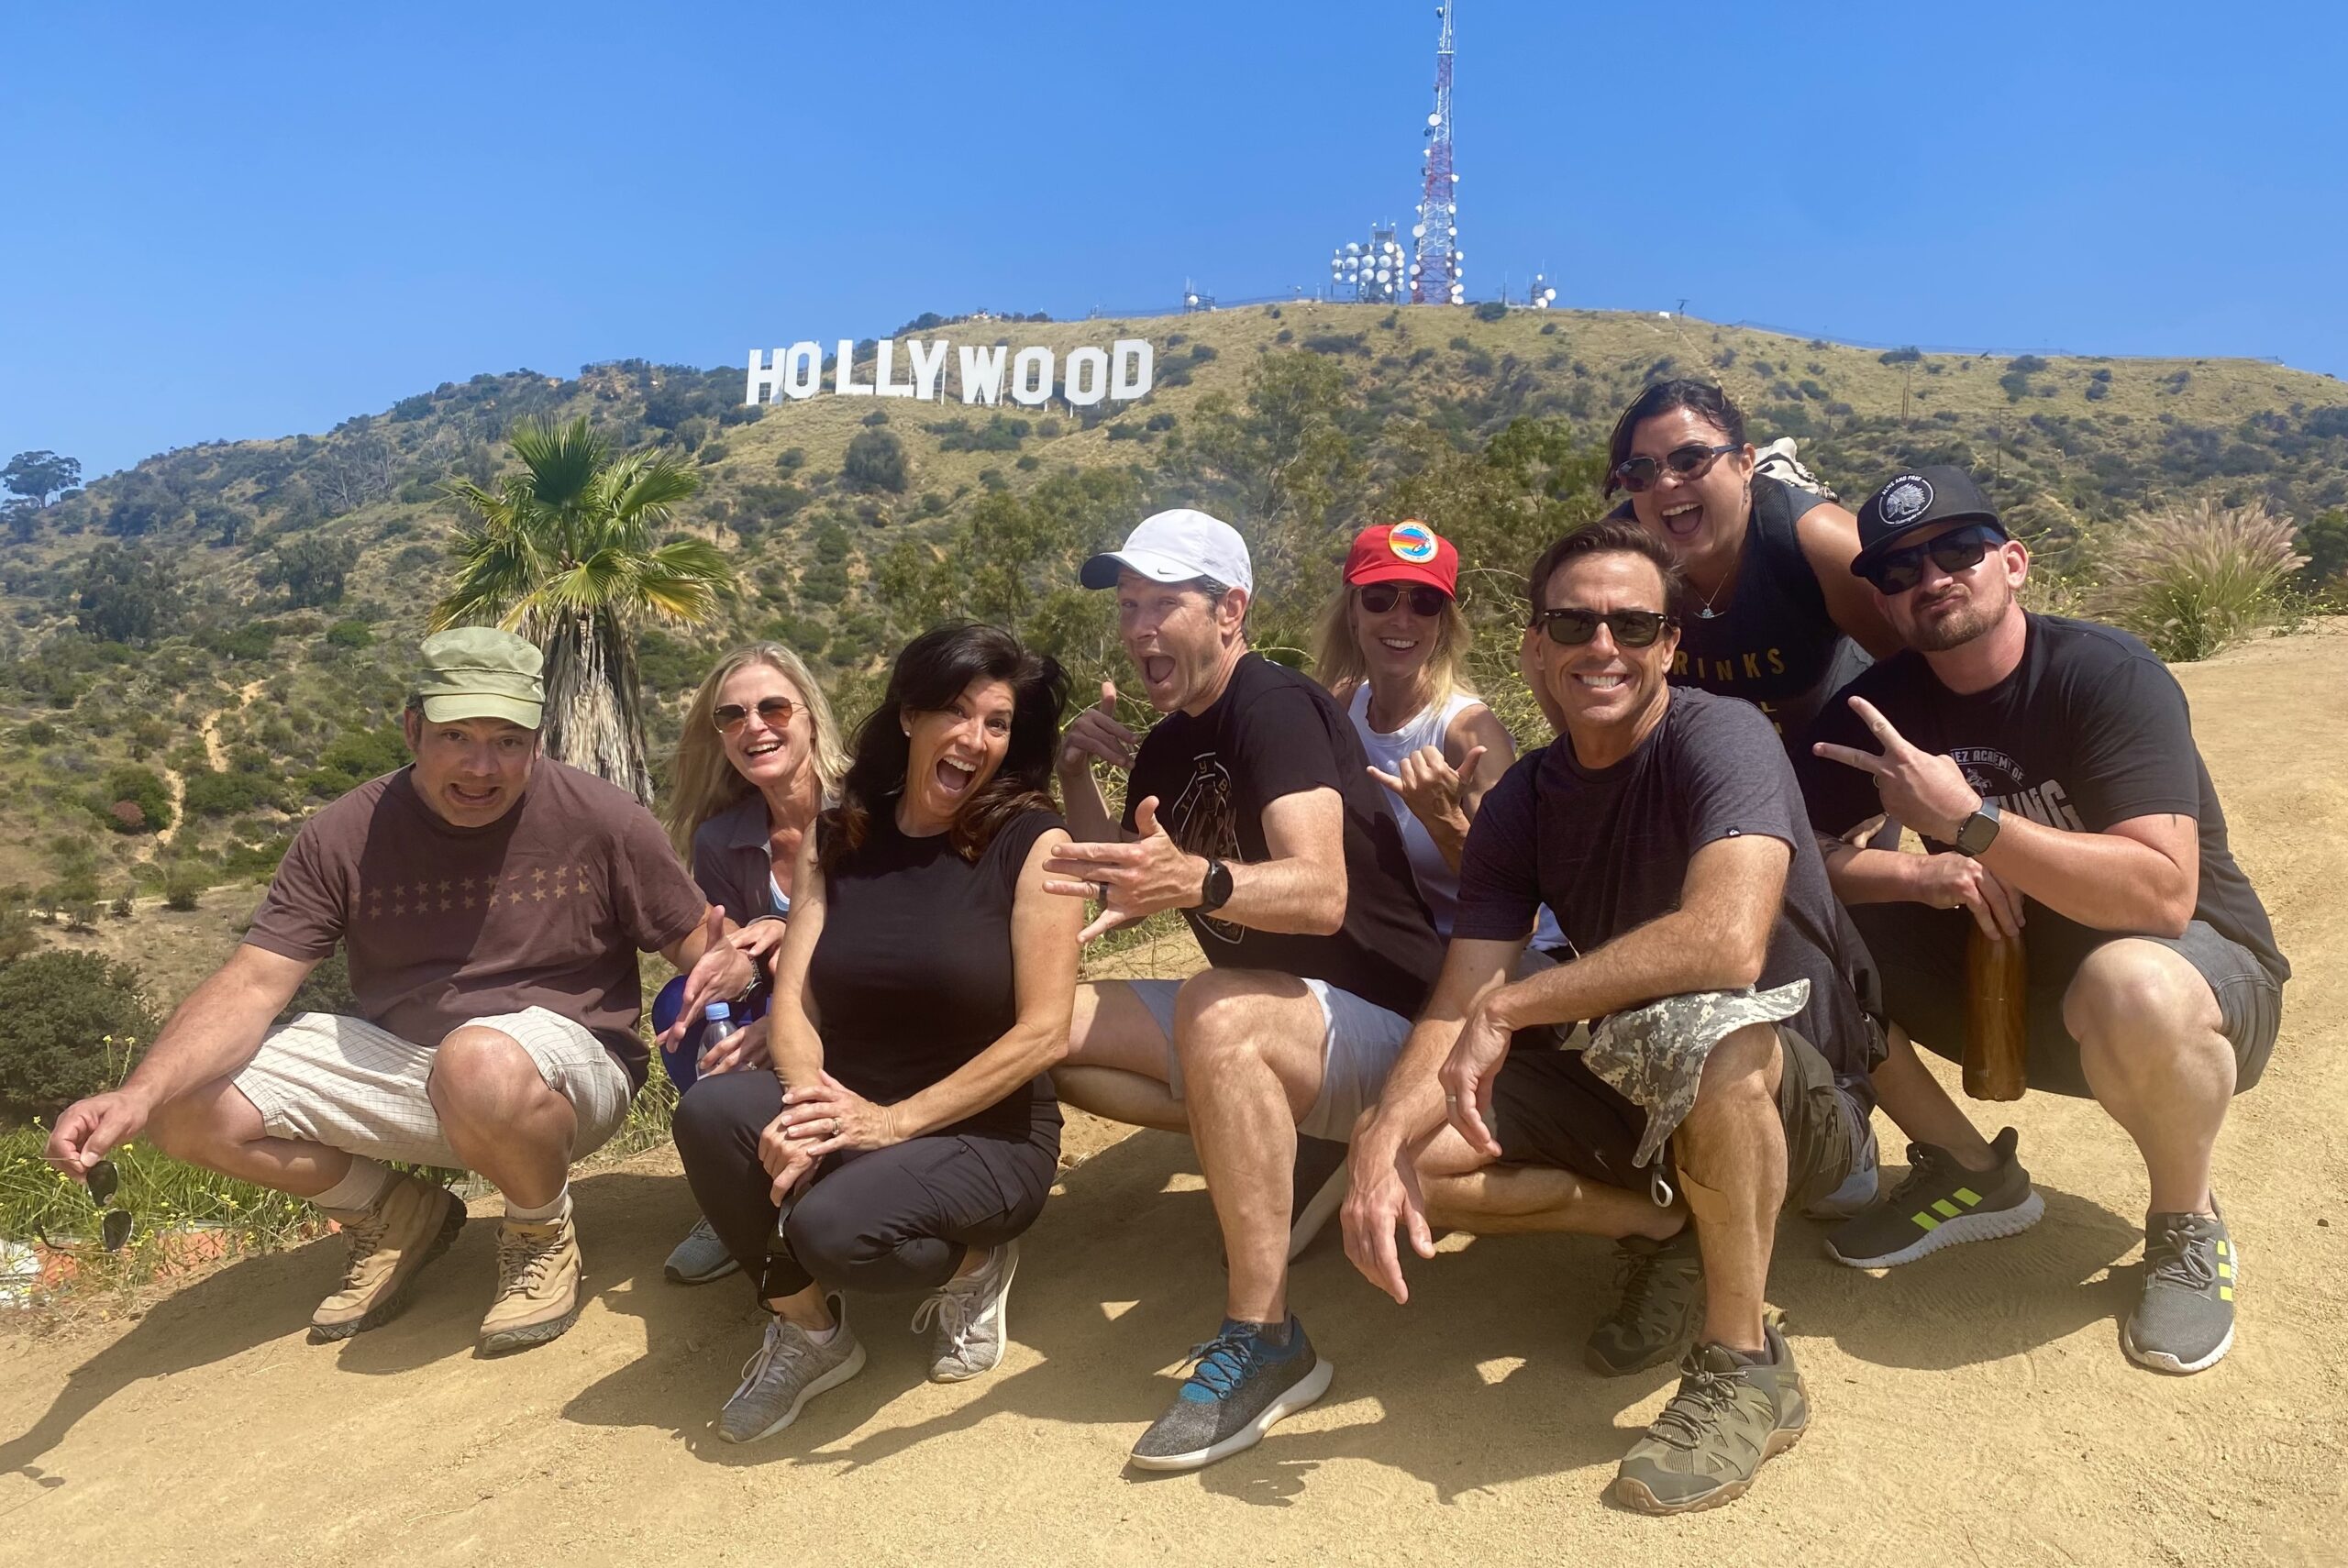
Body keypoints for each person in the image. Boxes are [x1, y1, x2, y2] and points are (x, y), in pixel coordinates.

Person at [1341, 520, 1877, 1515]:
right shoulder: (1523, 802)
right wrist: (1377, 1138)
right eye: (1573, 623)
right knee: (1419, 1163)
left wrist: (1515, 1007)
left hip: (1799, 1091)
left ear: (1670, 644)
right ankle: (1675, 1227)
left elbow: (1725, 943)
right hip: (1636, 1074)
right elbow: (1461, 994)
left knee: (1713, 1037)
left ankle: (1743, 1362)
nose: (1603, 647)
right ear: (1534, 646)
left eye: (1634, 625)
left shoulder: (1719, 737)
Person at [42, 628, 752, 1354]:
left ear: (537, 739)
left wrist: (740, 957)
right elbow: (253, 983)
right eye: (457, 736)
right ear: (413, 729)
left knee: (477, 1058)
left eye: (509, 740)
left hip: (563, 1074)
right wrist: (136, 1094)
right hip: (409, 1066)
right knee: (184, 1104)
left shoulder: (601, 819)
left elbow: (696, 938)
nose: (483, 767)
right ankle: (391, 1214)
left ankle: (540, 1232)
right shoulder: (342, 835)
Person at [1798, 467, 2288, 1375]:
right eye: (1899, 571)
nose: (1931, 577)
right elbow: (1788, 858)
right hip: (2005, 984)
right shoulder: (1881, 708)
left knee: (2129, 981)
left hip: (2182, 984)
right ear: (1881, 600)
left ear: (2012, 563)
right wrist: (1918, 870)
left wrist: (1970, 825)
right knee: (1795, 939)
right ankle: (1970, 1174)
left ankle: (2186, 1224)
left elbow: (2160, 896)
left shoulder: (2105, 676)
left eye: (1956, 551)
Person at [1043, 507, 1446, 1473]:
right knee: (1044, 1026)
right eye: (1129, 605)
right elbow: (1120, 876)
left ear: (1230, 611)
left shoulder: (1277, 707)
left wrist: (1203, 882)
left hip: (1392, 1023)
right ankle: (1278, 1144)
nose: (1140, 627)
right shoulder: (1166, 746)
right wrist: (1070, 773)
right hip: (1290, 1027)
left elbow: (1319, 893)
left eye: (1164, 603)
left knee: (1213, 1010)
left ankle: (1265, 1337)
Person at [670, 624, 1081, 1444]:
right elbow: (795, 1003)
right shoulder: (842, 832)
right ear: (908, 716)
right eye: (956, 712)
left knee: (832, 1229)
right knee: (711, 1114)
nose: (974, 739)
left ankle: (973, 1266)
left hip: (985, 1131)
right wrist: (804, 1107)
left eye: (996, 723)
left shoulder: (1036, 845)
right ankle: (807, 1330)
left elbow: (1045, 1034)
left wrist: (890, 1124)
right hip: (853, 1099)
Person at [654, 642, 849, 1286]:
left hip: (863, 997)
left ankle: (815, 1169)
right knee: (679, 1002)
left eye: (772, 707)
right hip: (792, 997)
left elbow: (889, 938)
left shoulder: (867, 808)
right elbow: (743, 951)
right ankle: (734, 1179)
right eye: (732, 716)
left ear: (810, 715)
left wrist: (789, 1015)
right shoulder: (721, 837)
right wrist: (737, 959)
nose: (754, 726)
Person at [1605, 379, 1900, 744]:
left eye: (1690, 459)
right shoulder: (1613, 562)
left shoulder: (1820, 543)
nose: (1666, 483)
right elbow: (1546, 657)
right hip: (1704, 773)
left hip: (1836, 759)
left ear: (1746, 463)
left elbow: (1934, 668)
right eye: (1641, 472)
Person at [1309, 520, 1517, 940]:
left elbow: (1519, 908)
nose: (1402, 620)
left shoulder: (1470, 735)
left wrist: (1443, 820)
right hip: (1394, 946)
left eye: (1425, 602)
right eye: (1380, 599)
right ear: (1352, 611)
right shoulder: (1342, 705)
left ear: (1443, 621)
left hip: (1483, 952)